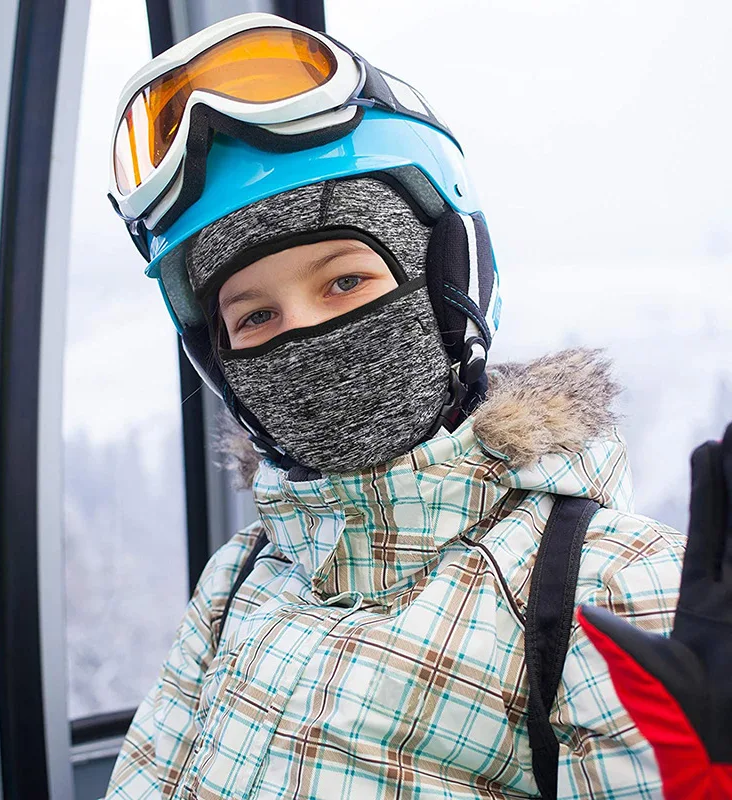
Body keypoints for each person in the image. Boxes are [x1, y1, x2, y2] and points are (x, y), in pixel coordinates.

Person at [104, 13, 686, 799]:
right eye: (256, 318)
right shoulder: (241, 577)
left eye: (346, 281)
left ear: (451, 284)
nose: (305, 332)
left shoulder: (607, 586)